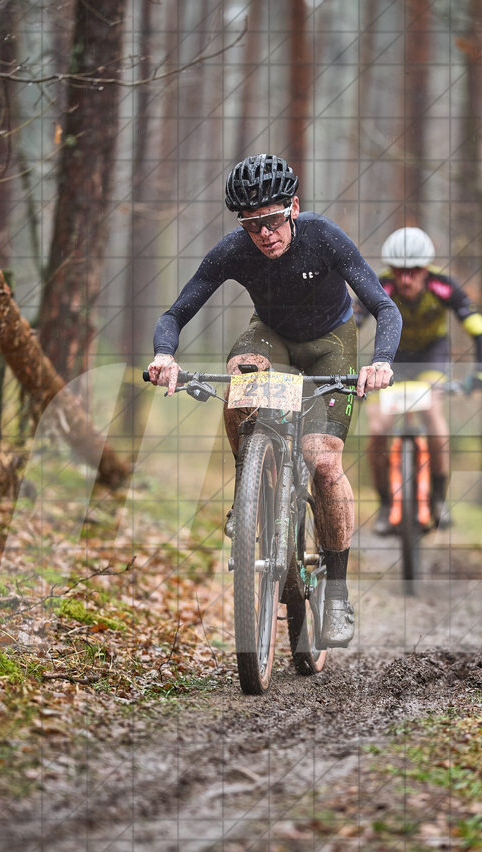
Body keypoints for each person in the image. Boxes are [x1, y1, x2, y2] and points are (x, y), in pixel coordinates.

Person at [147, 154, 400, 648]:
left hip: (330, 342)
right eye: (251, 224)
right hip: (271, 339)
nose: (263, 234)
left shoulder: (322, 236)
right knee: (243, 374)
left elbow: (384, 307)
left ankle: (338, 593)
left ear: (293, 208)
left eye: (271, 220)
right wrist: (164, 354)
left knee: (321, 460)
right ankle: (249, 487)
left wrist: (381, 360)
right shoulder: (234, 250)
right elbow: (176, 312)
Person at [357, 227, 482, 533]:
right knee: (378, 428)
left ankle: (439, 499)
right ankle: (385, 505)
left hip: (431, 358)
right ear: (391, 270)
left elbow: (479, 330)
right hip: (389, 360)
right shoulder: (380, 286)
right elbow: (350, 323)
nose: (406, 279)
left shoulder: (443, 286)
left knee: (432, 413)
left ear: (426, 268)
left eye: (414, 271)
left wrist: (481, 372)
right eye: (400, 271)